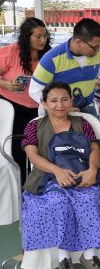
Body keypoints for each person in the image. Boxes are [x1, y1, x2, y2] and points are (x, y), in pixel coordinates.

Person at [22, 82, 100, 269]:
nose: (60, 104)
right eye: (53, 100)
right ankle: (64, 258)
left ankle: (89, 255)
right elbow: (32, 155)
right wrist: (57, 171)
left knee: (89, 198)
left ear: (71, 101)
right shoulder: (35, 127)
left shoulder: (83, 123)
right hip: (46, 178)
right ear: (44, 103)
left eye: (64, 99)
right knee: (58, 201)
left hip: (82, 174)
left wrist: (92, 170)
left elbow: (94, 148)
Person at [29, 18, 100, 117]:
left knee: (93, 132)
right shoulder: (51, 59)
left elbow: (96, 67)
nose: (98, 50)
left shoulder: (95, 52)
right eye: (95, 46)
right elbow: (34, 90)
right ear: (78, 42)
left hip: (87, 106)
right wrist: (60, 106)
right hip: (57, 113)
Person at [0, 17, 51, 184]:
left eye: (45, 35)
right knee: (16, 148)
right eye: (38, 36)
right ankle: (19, 185)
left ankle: (35, 182)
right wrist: (7, 84)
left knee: (36, 147)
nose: (43, 40)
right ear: (26, 37)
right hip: (11, 106)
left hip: (37, 108)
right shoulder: (11, 52)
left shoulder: (48, 55)